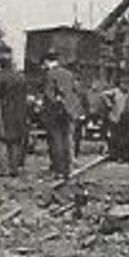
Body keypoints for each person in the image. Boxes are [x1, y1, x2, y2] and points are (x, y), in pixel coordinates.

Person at [41, 50, 85, 180]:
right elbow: (76, 91)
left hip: (56, 111)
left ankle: (58, 169)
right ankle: (68, 168)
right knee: (67, 139)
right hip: (70, 111)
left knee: (55, 140)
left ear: (47, 62)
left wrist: (48, 107)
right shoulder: (69, 74)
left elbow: (49, 95)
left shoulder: (50, 74)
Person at [0, 51, 30, 176]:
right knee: (16, 140)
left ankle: (4, 169)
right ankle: (14, 168)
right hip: (18, 112)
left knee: (1, 140)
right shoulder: (21, 77)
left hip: (3, 111)